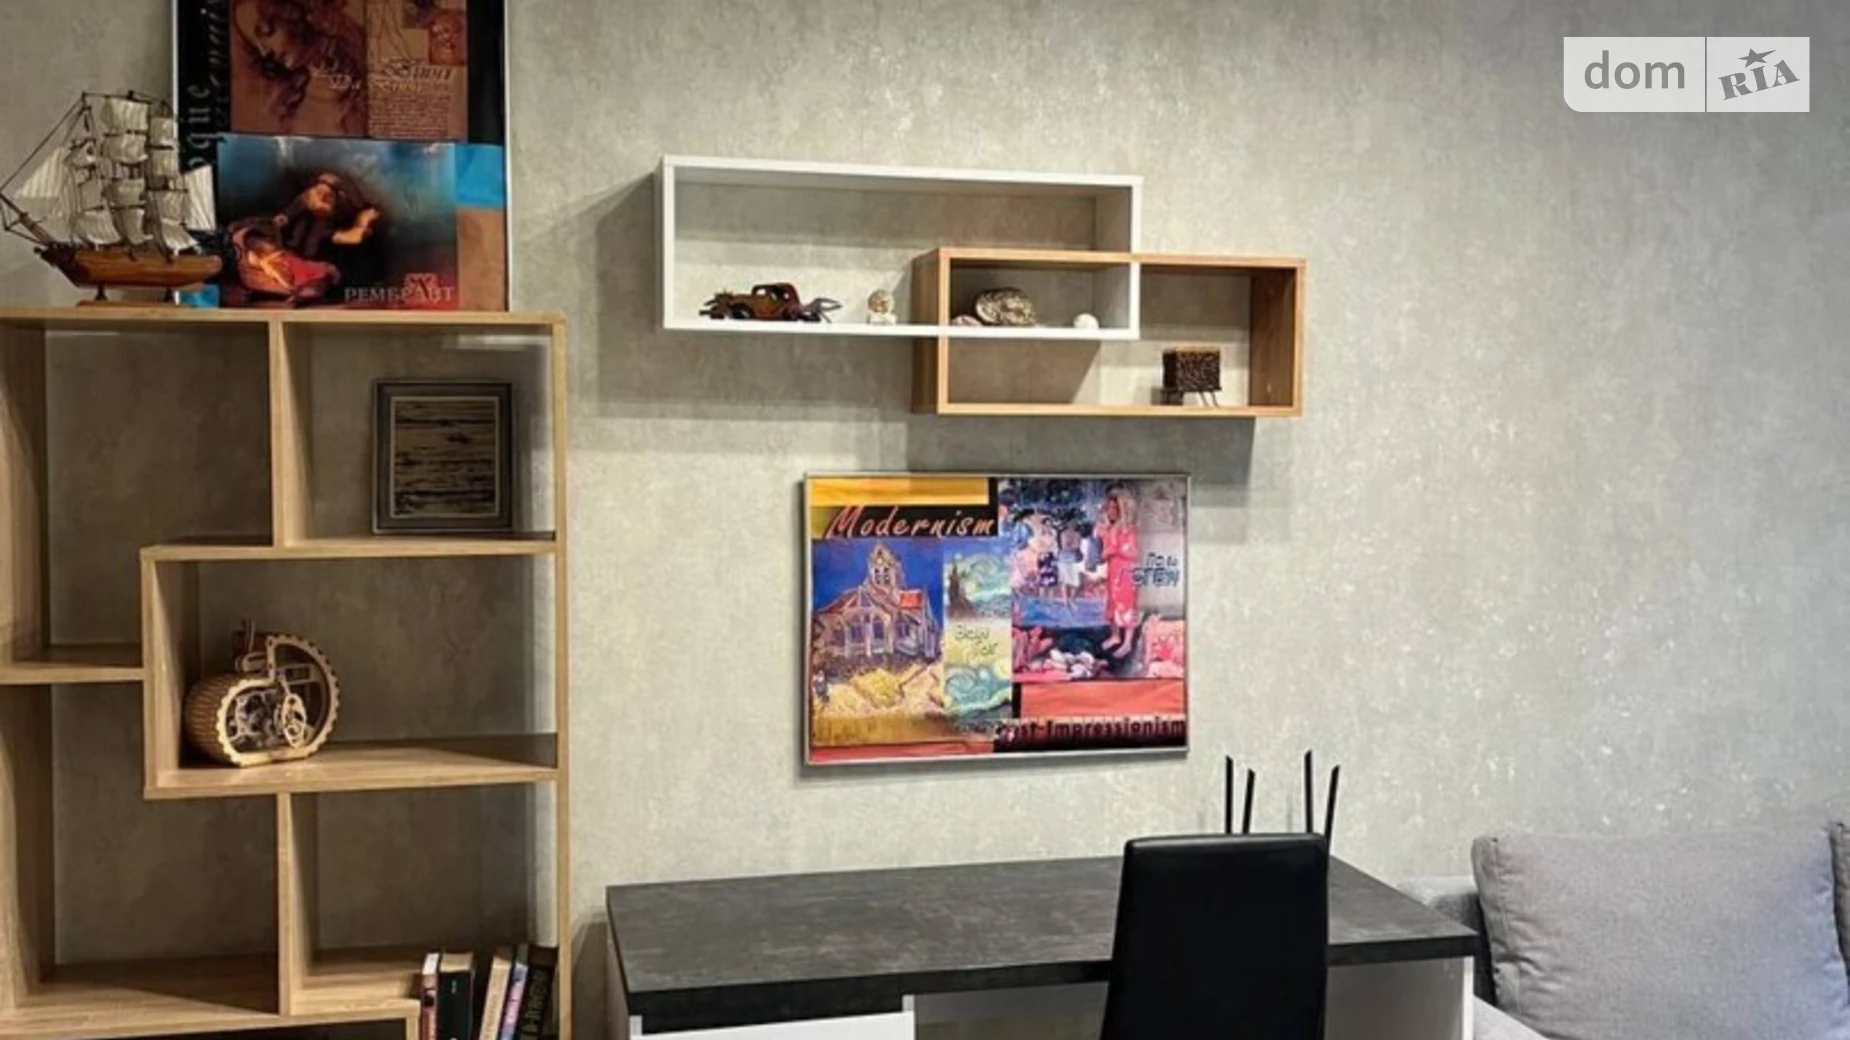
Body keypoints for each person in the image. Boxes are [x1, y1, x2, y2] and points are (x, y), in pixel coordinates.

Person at [1098, 490, 1141, 657]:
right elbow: (1103, 555)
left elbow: (1133, 552)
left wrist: (1114, 549)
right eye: (1108, 508)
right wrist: (1106, 544)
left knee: (1127, 605)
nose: (1111, 511)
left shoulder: (1129, 529)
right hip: (1113, 571)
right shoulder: (1109, 528)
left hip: (1126, 572)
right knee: (1112, 603)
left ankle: (1127, 642)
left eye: (1115, 508)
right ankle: (1115, 636)